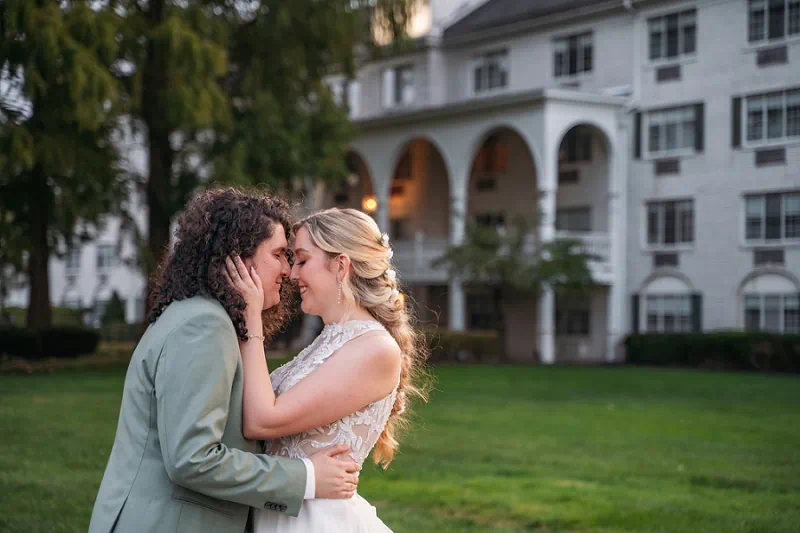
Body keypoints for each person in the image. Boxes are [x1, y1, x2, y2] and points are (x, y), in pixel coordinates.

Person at [88, 188, 360, 533]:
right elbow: (192, 459)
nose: (287, 270)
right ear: (240, 258)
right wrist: (307, 478)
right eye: (278, 254)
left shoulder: (200, 317)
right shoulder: (204, 325)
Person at [224, 207, 429, 532]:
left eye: (302, 260)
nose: (292, 274)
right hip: (282, 513)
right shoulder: (331, 340)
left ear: (340, 265)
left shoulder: (374, 348)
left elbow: (262, 420)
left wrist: (251, 319)